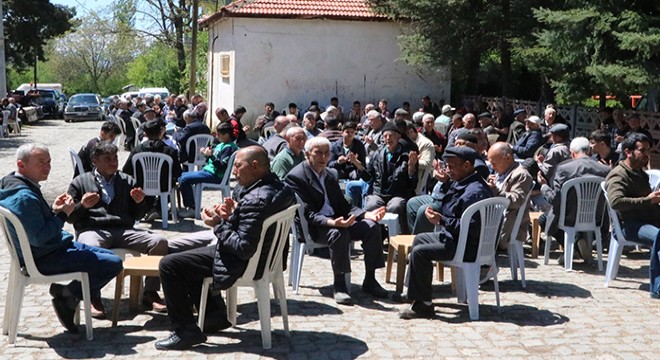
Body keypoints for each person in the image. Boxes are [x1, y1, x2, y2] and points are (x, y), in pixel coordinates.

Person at [155, 147, 295, 350]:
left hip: (248, 262)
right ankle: (214, 317)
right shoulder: (279, 188)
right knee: (189, 258)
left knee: (170, 264)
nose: (234, 172)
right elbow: (251, 223)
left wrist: (218, 224)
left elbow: (243, 247)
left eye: (238, 166)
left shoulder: (257, 198)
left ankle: (185, 331)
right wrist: (231, 214)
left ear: (254, 166)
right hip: (266, 257)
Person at [0, 143, 122, 330]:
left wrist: (53, 211)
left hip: (52, 248)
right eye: (41, 162)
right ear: (21, 165)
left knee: (113, 258)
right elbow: (39, 237)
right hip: (45, 257)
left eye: (49, 161)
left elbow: (33, 223)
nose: (47, 167)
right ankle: (68, 295)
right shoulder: (23, 196)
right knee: (113, 264)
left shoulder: (13, 182)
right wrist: (63, 214)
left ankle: (66, 293)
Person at [66, 142, 169, 313]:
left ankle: (150, 292)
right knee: (91, 248)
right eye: (107, 159)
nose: (113, 163)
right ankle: (92, 295)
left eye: (115, 158)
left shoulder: (127, 181)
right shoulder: (80, 182)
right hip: (93, 229)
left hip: (123, 230)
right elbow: (69, 217)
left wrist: (140, 202)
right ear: (95, 161)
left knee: (159, 241)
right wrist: (82, 206)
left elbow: (137, 215)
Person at [285, 137, 388, 305]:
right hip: (315, 227)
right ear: (307, 154)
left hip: (338, 220)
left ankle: (370, 279)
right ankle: (339, 285)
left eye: (327, 153)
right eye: (318, 153)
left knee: (371, 227)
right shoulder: (296, 177)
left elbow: (343, 205)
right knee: (338, 233)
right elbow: (308, 214)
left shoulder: (330, 174)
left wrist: (365, 215)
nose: (323, 157)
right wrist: (333, 223)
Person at [397, 146, 492, 319]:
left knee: (420, 253)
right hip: (457, 239)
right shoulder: (465, 182)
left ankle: (423, 305)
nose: (449, 170)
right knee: (419, 239)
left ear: (467, 166)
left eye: (452, 166)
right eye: (447, 165)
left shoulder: (475, 192)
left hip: (466, 246)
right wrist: (447, 184)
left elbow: (471, 227)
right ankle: (416, 295)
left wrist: (441, 221)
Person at [538, 137, 610, 265]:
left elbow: (555, 199)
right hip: (596, 218)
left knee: (544, 219)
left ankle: (575, 246)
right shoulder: (605, 170)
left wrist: (544, 187)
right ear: (588, 151)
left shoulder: (564, 169)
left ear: (572, 153)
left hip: (568, 218)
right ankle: (578, 244)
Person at [605, 133, 660, 299]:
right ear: (628, 152)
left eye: (648, 150)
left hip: (647, 220)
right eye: (642, 150)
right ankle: (657, 288)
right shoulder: (619, 174)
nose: (646, 154)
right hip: (628, 226)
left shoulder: (639, 173)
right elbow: (616, 202)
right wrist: (647, 200)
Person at [363, 121, 419, 234]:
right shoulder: (377, 153)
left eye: (391, 135)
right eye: (385, 136)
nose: (388, 138)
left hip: (398, 193)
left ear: (398, 137)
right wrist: (359, 167)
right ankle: (379, 235)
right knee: (371, 205)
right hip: (379, 193)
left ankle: (396, 235)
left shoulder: (407, 154)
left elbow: (412, 183)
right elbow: (369, 177)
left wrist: (411, 167)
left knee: (395, 207)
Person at [122, 119, 183, 222]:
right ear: (161, 132)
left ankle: (150, 208)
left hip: (141, 185)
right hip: (164, 185)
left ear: (145, 134)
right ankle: (157, 208)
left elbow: (126, 170)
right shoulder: (170, 151)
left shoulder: (137, 150)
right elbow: (178, 172)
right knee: (170, 184)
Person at [178, 123, 239, 218]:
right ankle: (191, 204)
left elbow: (221, 166)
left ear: (226, 135)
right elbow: (211, 161)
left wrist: (211, 155)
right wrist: (205, 154)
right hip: (208, 171)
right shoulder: (221, 145)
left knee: (185, 179)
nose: (216, 136)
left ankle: (192, 208)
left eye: (219, 134)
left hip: (216, 176)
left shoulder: (229, 148)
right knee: (182, 176)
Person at [486, 143, 533, 250]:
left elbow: (517, 201)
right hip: (495, 220)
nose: (492, 167)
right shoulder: (502, 172)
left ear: (508, 158)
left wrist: (494, 190)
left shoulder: (521, 175)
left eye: (494, 163)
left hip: (508, 227)